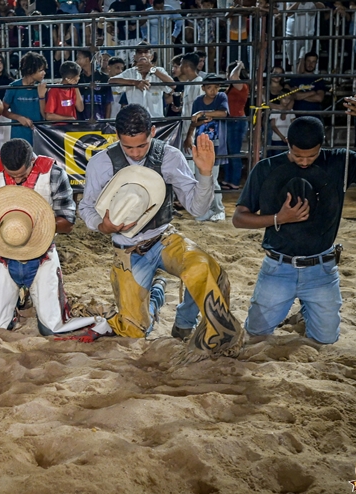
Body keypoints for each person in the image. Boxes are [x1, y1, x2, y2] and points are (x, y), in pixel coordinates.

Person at [79, 104, 244, 358]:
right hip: (127, 248)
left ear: (153, 132)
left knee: (203, 267)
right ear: (117, 137)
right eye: (128, 147)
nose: (135, 153)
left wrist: (205, 173)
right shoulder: (101, 163)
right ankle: (156, 292)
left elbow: (197, 209)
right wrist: (103, 226)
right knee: (133, 331)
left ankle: (196, 329)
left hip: (165, 238)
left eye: (141, 146)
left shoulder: (170, 156)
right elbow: (86, 207)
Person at [232, 108, 356, 344]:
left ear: (322, 145)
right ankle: (302, 311)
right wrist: (279, 218)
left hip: (322, 268)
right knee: (256, 335)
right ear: (287, 143)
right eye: (298, 156)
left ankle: (306, 313)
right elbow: (239, 218)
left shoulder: (339, 161)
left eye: (312, 155)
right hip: (278, 267)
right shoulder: (265, 169)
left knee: (326, 340)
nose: (305, 161)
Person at [0, 138, 77, 335]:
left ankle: (24, 302)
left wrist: (38, 226)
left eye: (22, 175)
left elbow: (69, 222)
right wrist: (4, 226)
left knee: (52, 328)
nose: (18, 181)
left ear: (32, 162)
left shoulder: (53, 173)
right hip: (3, 252)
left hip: (42, 254)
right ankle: (11, 308)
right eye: (12, 176)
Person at [183, 74, 229, 222]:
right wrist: (189, 136)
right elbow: (194, 121)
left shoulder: (221, 97)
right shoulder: (198, 101)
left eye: (216, 87)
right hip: (201, 142)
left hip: (216, 143)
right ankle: (206, 209)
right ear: (203, 88)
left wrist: (202, 113)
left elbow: (223, 113)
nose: (213, 91)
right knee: (201, 177)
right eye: (210, 87)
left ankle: (219, 209)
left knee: (213, 178)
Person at [109, 43, 175, 119]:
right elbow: (111, 80)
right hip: (135, 121)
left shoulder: (159, 71)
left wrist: (151, 69)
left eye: (146, 52)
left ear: (152, 56)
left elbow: (173, 85)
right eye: (139, 52)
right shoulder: (130, 72)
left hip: (155, 120)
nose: (143, 54)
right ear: (135, 57)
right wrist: (134, 82)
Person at [3, 52, 47, 145]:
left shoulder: (42, 87)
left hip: (39, 136)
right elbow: (3, 110)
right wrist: (19, 118)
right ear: (31, 70)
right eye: (40, 70)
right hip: (19, 135)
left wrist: (42, 97)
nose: (44, 73)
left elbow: (45, 115)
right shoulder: (13, 86)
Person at [223, 60, 249, 190]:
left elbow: (233, 77)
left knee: (234, 152)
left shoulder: (241, 85)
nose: (228, 75)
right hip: (230, 120)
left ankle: (235, 180)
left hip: (236, 120)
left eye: (228, 72)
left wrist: (239, 65)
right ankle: (228, 179)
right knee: (228, 152)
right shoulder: (234, 86)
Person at [75, 50, 113, 121]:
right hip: (81, 121)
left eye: (79, 58)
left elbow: (108, 103)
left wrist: (106, 122)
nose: (77, 61)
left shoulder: (104, 78)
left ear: (87, 59)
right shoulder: (77, 78)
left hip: (99, 120)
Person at [289, 51, 326, 121]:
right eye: (308, 61)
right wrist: (311, 93)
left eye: (313, 62)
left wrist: (300, 95)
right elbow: (293, 96)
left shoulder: (319, 80)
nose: (310, 64)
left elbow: (319, 98)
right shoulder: (296, 79)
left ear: (316, 63)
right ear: (304, 62)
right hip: (297, 117)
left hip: (315, 118)